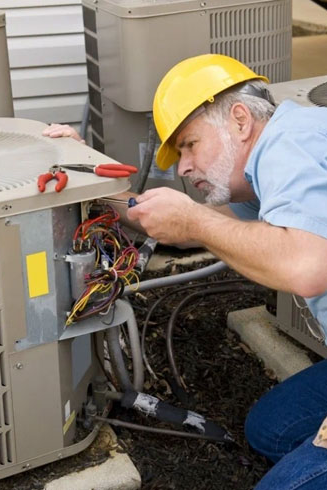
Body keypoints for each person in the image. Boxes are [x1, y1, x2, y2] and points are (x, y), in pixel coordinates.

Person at [44, 54, 327, 489]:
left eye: (190, 144)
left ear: (239, 120)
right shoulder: (266, 167)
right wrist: (91, 179)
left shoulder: (291, 145)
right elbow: (194, 230)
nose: (183, 167)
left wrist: (194, 220)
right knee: (270, 430)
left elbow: (307, 266)